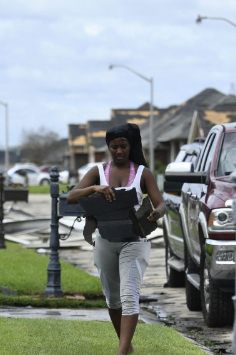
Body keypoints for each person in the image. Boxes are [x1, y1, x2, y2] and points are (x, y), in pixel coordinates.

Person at [67, 123, 166, 355]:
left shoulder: (143, 173)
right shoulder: (98, 172)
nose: (119, 151)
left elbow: (160, 202)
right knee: (113, 300)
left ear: (131, 146)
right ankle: (127, 347)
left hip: (134, 240)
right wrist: (95, 188)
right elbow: (71, 196)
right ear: (108, 147)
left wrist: (157, 212)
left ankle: (121, 352)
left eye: (123, 146)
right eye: (114, 147)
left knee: (129, 295)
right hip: (105, 240)